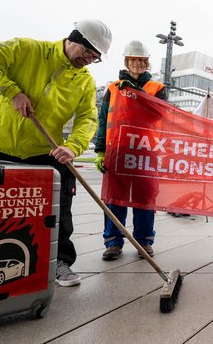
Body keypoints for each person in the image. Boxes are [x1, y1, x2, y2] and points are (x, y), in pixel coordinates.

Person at [0, 19, 112, 287]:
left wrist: (73, 146)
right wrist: (12, 92)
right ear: (74, 39)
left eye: (95, 58)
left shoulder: (84, 82)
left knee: (58, 211)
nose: (88, 60)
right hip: (0, 146)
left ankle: (59, 262)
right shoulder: (27, 49)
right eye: (87, 53)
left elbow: (88, 119)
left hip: (46, 152)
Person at [94, 40, 167, 261]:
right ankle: (113, 243)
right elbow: (103, 118)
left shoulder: (157, 89)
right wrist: (99, 150)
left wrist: (138, 94)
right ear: (127, 62)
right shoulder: (113, 88)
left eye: (141, 60)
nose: (137, 64)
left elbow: (160, 114)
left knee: (145, 199)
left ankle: (144, 242)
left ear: (147, 63)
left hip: (146, 151)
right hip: (118, 150)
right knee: (115, 199)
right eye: (133, 60)